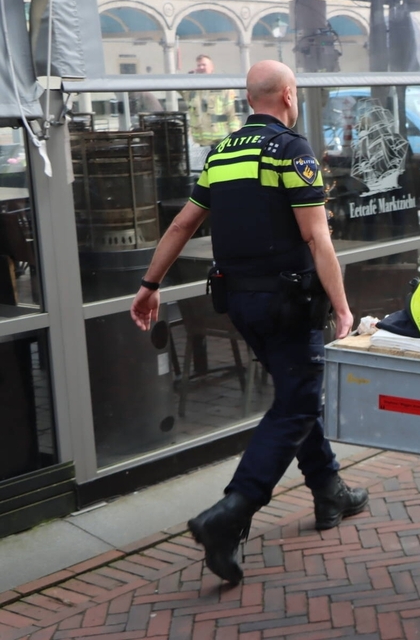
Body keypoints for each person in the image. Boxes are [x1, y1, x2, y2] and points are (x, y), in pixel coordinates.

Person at [130, 59, 369, 586]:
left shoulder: (222, 153)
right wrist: (344, 306)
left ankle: (330, 492)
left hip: (239, 304)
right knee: (300, 400)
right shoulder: (290, 149)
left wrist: (149, 286)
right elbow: (316, 236)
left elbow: (182, 223)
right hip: (286, 303)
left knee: (292, 394)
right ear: (287, 95)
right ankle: (231, 513)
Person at [184, 55, 241, 152]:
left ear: (212, 67)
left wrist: (235, 138)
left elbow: (233, 114)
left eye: (204, 65)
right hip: (201, 144)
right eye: (199, 65)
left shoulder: (223, 87)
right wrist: (187, 78)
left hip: (222, 142)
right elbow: (175, 87)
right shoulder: (193, 90)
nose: (201, 68)